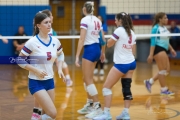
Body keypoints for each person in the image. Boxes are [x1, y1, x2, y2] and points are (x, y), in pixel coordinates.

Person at [17, 12, 65, 120]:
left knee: (46, 115)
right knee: (52, 113)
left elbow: (61, 54)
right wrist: (36, 70)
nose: (49, 25)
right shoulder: (32, 42)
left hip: (50, 81)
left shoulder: (55, 41)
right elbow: (19, 60)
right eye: (46, 22)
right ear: (38, 25)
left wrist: (60, 68)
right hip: (36, 82)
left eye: (49, 22)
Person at [93, 12, 136, 120]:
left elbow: (109, 44)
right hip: (131, 63)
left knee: (106, 88)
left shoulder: (119, 30)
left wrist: (104, 39)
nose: (115, 22)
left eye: (116, 20)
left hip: (122, 64)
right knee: (126, 88)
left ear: (121, 20)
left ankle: (106, 114)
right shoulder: (132, 32)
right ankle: (126, 113)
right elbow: (133, 50)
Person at [75, 1, 105, 119]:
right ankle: (90, 104)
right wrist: (102, 52)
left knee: (88, 79)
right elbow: (102, 38)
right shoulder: (98, 20)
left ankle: (97, 106)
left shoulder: (84, 20)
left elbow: (82, 39)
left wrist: (77, 56)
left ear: (84, 10)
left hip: (89, 50)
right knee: (86, 78)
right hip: (96, 48)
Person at [144, 12, 176, 95]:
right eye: (165, 18)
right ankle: (163, 90)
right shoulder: (155, 28)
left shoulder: (164, 28)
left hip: (164, 49)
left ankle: (149, 82)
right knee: (162, 71)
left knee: (167, 70)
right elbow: (153, 42)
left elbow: (166, 40)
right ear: (160, 19)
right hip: (158, 49)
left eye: (167, 17)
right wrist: (151, 54)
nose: (167, 19)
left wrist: (171, 49)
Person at [41, 9, 73, 87]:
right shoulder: (44, 30)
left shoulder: (52, 30)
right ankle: (50, 81)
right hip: (46, 53)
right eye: (51, 15)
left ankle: (67, 79)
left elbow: (55, 44)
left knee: (63, 63)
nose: (53, 17)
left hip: (54, 52)